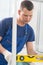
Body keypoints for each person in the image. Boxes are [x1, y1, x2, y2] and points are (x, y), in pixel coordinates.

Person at [0, 0, 37, 65]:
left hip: (12, 62)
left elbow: (30, 50)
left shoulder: (30, 31)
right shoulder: (5, 23)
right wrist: (6, 53)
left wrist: (37, 57)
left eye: (30, 16)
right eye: (25, 15)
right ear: (19, 12)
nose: (28, 19)